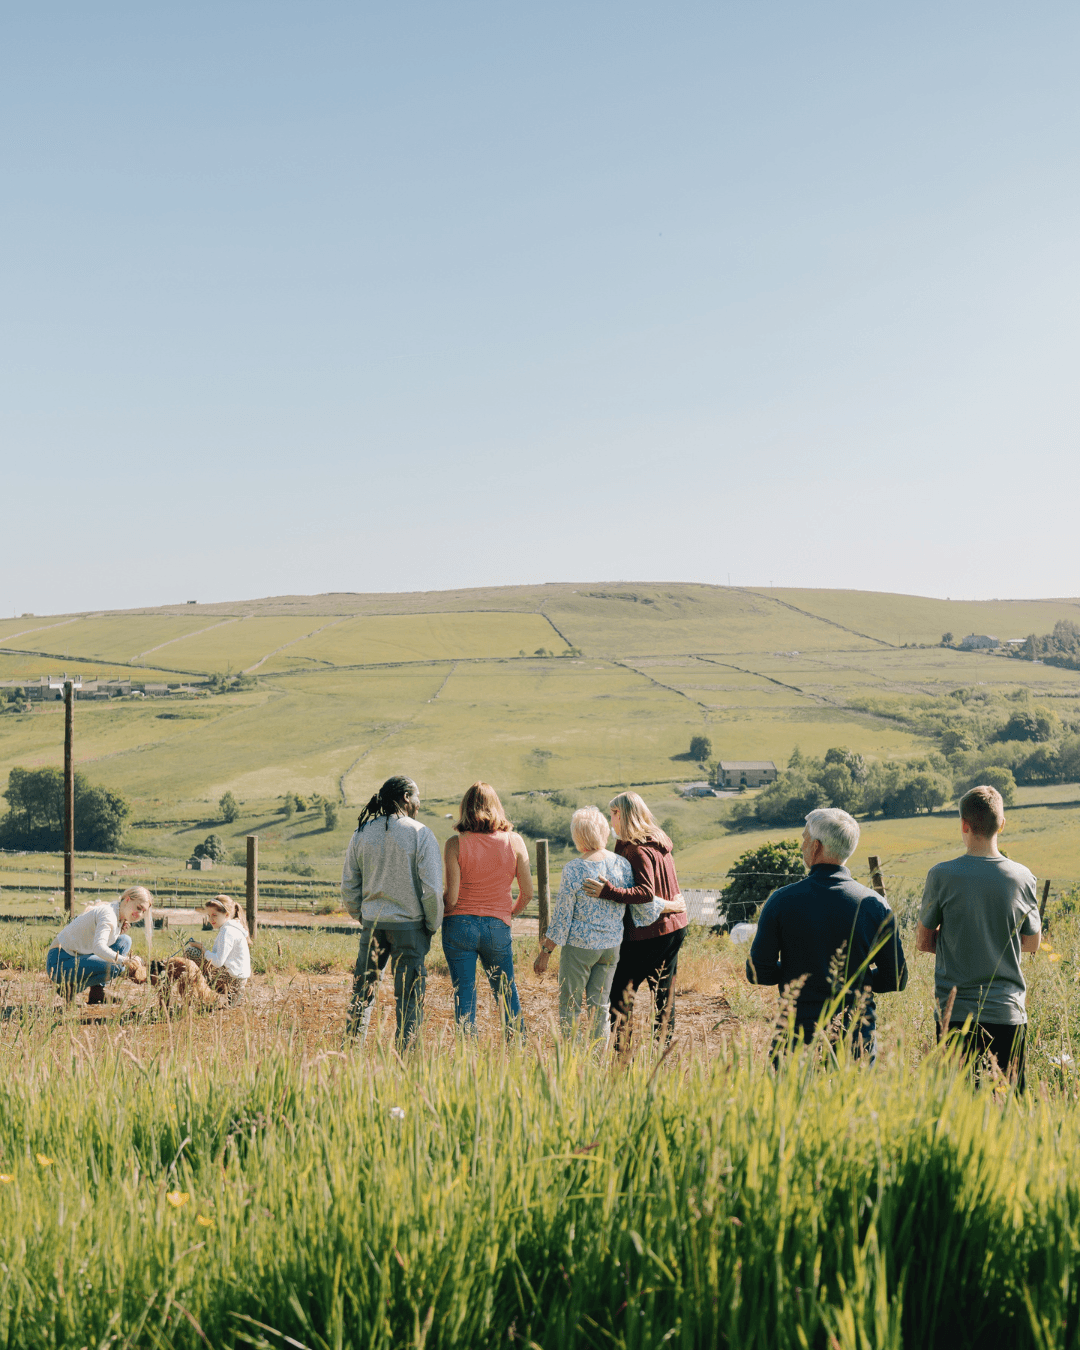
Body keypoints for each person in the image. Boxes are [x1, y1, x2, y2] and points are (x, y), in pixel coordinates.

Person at [746, 808, 907, 1060]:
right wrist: (858, 981)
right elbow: (896, 978)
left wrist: (795, 975)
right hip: (856, 1036)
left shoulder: (781, 901)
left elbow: (758, 972)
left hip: (797, 1036)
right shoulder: (875, 905)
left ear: (816, 847)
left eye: (804, 839)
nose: (801, 846)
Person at [917, 784, 1040, 1090]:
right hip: (1008, 1012)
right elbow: (1033, 944)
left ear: (964, 824)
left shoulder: (941, 875)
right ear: (1002, 824)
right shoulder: (1023, 877)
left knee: (959, 1109)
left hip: (954, 1014)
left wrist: (954, 942)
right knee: (1007, 1107)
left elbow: (922, 941)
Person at [534, 805, 663, 1042]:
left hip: (580, 948)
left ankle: (573, 1063)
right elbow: (639, 901)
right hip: (611, 947)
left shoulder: (574, 869)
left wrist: (545, 952)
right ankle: (597, 1065)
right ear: (603, 832)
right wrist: (669, 905)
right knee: (600, 1009)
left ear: (577, 835)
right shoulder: (622, 864)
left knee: (569, 1008)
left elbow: (562, 918)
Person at [341, 775, 443, 1046]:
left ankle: (350, 1050)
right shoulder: (420, 834)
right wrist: (432, 924)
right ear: (406, 798)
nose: (420, 803)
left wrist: (362, 916)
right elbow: (432, 890)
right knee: (409, 997)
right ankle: (406, 1055)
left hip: (373, 924)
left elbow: (349, 885)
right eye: (418, 796)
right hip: (410, 927)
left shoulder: (361, 833)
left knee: (362, 993)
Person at [581, 792, 688, 1048]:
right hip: (675, 926)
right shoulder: (658, 842)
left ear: (622, 814)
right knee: (663, 992)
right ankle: (660, 1049)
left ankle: (622, 1051)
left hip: (647, 933)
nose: (610, 821)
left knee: (620, 991)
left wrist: (607, 892)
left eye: (612, 814)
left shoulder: (637, 850)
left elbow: (644, 893)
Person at [442, 782, 532, 1035]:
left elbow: (452, 899)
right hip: (497, 926)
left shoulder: (454, 844)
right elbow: (528, 893)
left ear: (465, 808)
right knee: (506, 992)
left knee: (465, 995)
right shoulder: (514, 842)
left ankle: (467, 1057)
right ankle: (517, 1048)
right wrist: (508, 913)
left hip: (459, 925)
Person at [45, 886, 152, 1004]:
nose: (140, 914)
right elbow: (98, 947)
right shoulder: (109, 915)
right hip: (59, 962)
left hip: (77, 957)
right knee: (116, 967)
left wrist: (118, 933)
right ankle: (69, 989)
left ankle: (97, 993)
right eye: (138, 908)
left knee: (125, 941)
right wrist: (125, 960)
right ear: (127, 900)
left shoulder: (118, 914)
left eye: (143, 911)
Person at [166, 895, 252, 1006]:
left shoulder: (227, 931)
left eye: (215, 915)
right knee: (194, 956)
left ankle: (194, 995)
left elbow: (217, 962)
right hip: (237, 980)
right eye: (209, 915)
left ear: (226, 914)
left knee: (190, 952)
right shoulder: (232, 928)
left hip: (232, 981)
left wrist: (202, 949)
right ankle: (197, 992)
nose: (210, 919)